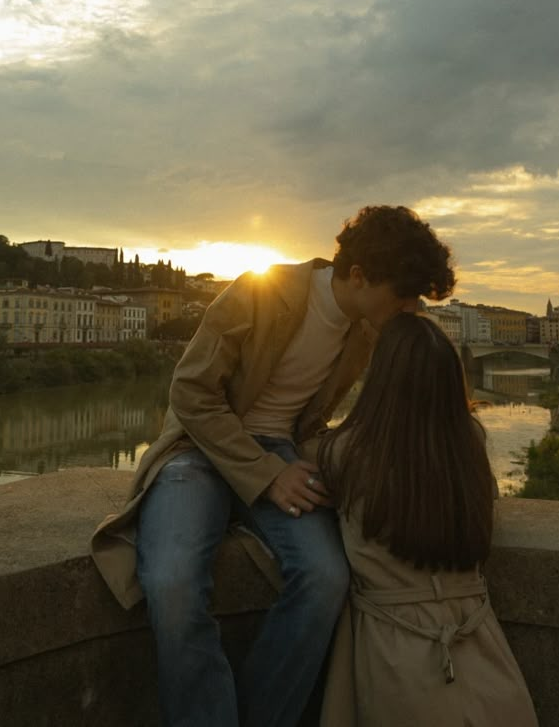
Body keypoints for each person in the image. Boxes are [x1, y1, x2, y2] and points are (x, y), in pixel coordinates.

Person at [91, 205, 455, 727]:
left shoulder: (366, 333)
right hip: (200, 449)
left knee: (327, 579)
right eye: (404, 293)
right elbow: (191, 394)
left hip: (282, 451)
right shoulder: (261, 291)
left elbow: (334, 420)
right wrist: (265, 474)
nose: (410, 307)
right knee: (172, 582)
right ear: (358, 275)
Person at [315, 313, 539, 727]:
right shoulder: (470, 441)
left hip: (393, 657)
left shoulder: (343, 451)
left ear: (381, 378)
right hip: (486, 657)